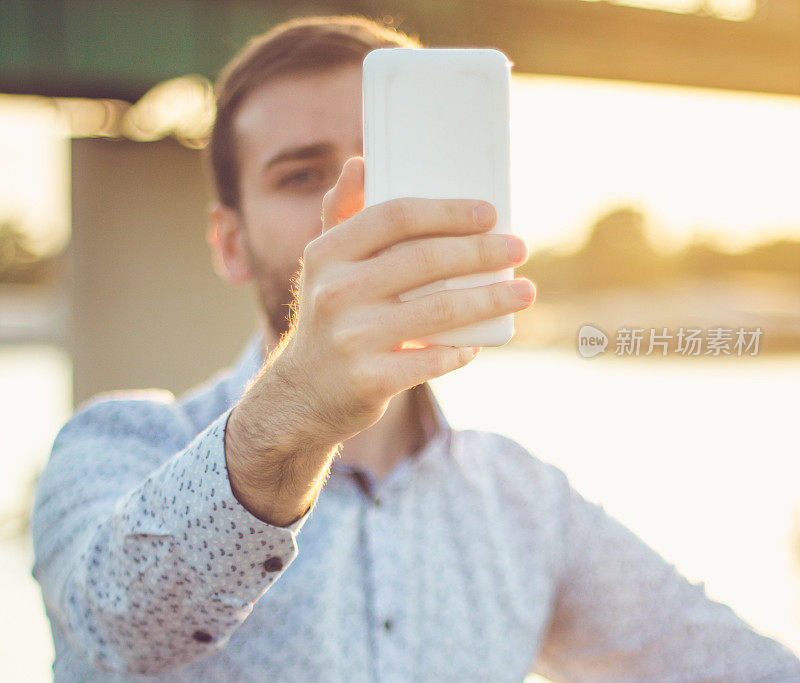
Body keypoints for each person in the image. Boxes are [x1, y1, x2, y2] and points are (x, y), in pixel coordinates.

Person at [31, 14, 800, 682]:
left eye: (388, 163)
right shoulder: (115, 443)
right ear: (229, 244)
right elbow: (121, 626)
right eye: (302, 176)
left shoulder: (525, 502)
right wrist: (296, 410)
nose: (351, 211)